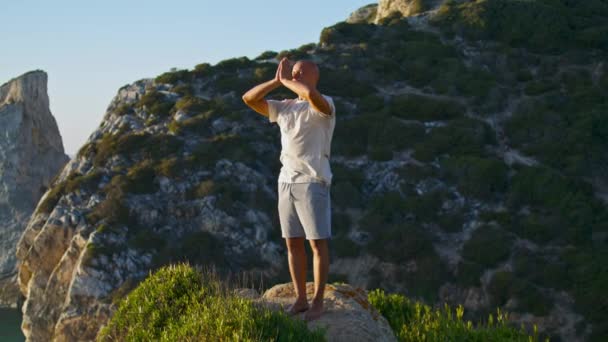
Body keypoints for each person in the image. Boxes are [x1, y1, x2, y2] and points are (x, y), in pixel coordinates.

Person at [242, 57, 336, 321]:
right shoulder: (284, 108)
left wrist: (288, 82)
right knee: (292, 243)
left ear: (313, 76)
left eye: (300, 72)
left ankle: (318, 302)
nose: (294, 76)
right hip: (286, 182)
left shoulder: (324, 104)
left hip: (312, 181)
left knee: (317, 244)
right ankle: (301, 299)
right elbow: (248, 99)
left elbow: (309, 94)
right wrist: (275, 81)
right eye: (292, 72)